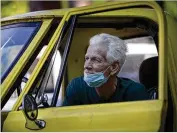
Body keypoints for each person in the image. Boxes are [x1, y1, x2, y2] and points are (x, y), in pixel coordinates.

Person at [62, 33, 149, 106]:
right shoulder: (76, 87)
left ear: (114, 67)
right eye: (86, 58)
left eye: (95, 60)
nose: (86, 66)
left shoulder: (135, 92)